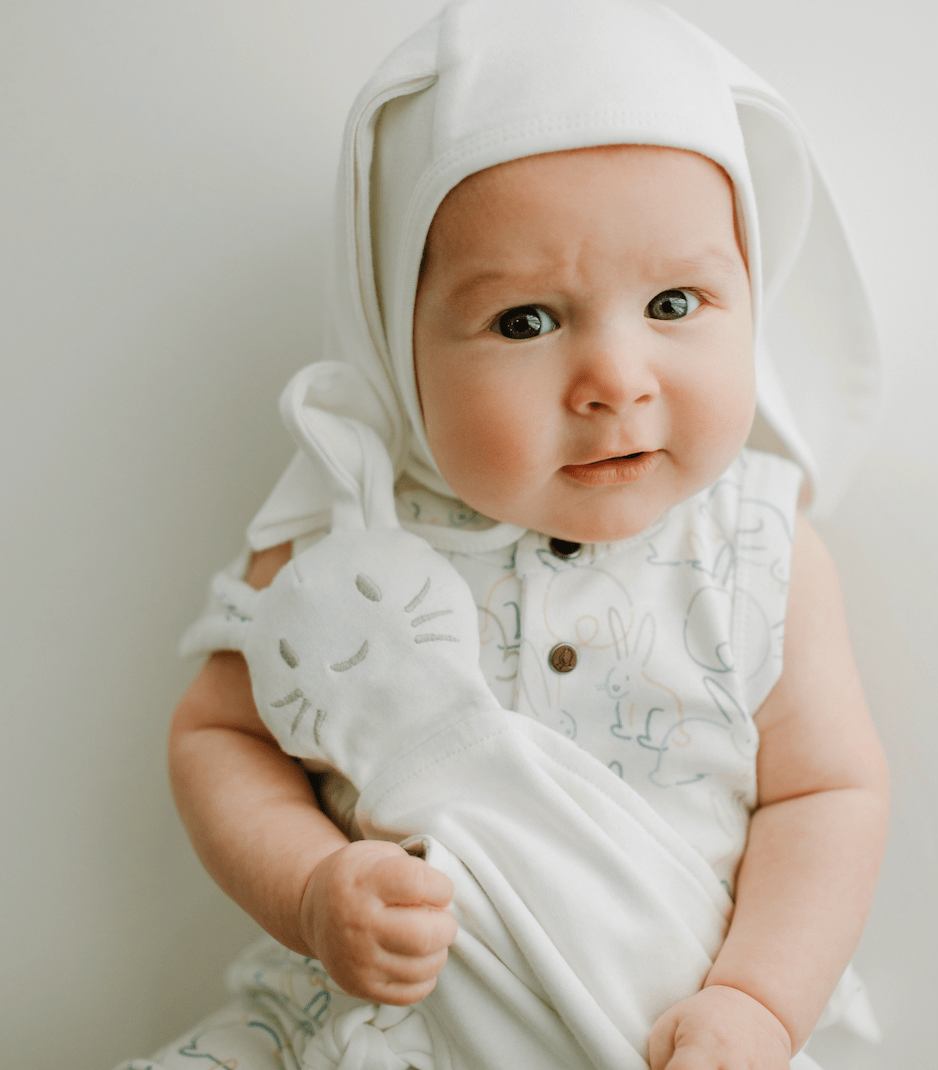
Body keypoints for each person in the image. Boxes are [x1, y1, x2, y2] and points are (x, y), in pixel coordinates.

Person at [130, 2, 889, 1068]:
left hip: (669, 1035)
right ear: (399, 334)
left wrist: (760, 1002)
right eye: (526, 321)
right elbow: (222, 736)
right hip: (387, 1034)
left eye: (674, 301)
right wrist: (310, 889)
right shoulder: (344, 534)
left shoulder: (757, 547)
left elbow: (826, 794)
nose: (617, 380)